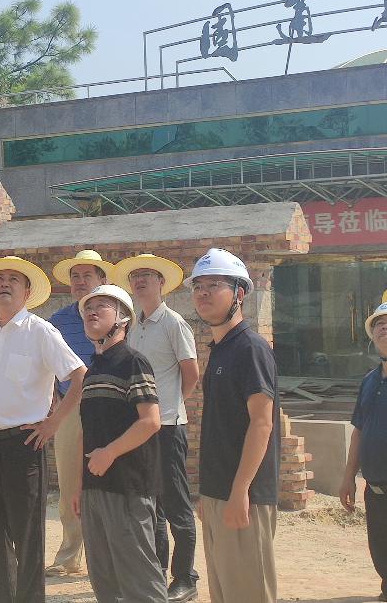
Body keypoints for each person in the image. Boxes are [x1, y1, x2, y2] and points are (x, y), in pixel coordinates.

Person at [0, 256, 86, 603]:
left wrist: (53, 422)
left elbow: (78, 375)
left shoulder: (41, 331)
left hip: (23, 443)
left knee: (27, 533)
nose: (4, 283)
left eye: (13, 279)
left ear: (27, 292)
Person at [188, 248, 279, 603]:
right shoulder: (220, 349)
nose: (203, 293)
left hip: (245, 495)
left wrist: (240, 491)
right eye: (198, 286)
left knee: (248, 592)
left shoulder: (250, 348)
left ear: (239, 293)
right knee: (224, 592)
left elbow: (262, 423)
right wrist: (209, 493)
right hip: (218, 492)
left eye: (214, 285)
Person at [113, 253, 200, 603]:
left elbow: (191, 373)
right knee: (150, 506)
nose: (140, 281)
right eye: (135, 276)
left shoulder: (174, 323)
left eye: (148, 275)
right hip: (140, 428)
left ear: (162, 282)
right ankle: (156, 574)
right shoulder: (133, 327)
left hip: (167, 427)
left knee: (176, 504)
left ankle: (186, 578)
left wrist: (170, 406)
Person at [75, 283, 166, 603]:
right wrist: (78, 486)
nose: (91, 312)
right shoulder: (92, 371)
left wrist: (109, 453)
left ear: (123, 319)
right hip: (94, 489)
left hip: (129, 488)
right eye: (88, 307)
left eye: (101, 306)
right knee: (105, 582)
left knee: (140, 582)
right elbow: (86, 431)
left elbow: (150, 421)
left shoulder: (133, 362)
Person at [46, 249, 115, 576]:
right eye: (75, 276)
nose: (80, 281)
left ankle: (109, 557)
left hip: (110, 406)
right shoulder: (57, 322)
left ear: (102, 280)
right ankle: (69, 556)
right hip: (70, 407)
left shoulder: (118, 318)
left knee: (110, 482)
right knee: (69, 483)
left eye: (87, 275)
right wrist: (52, 402)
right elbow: (46, 365)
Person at [339, 298, 387, 602]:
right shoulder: (369, 381)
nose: (384, 328)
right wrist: (348, 478)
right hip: (375, 488)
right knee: (380, 548)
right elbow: (358, 431)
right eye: (379, 324)